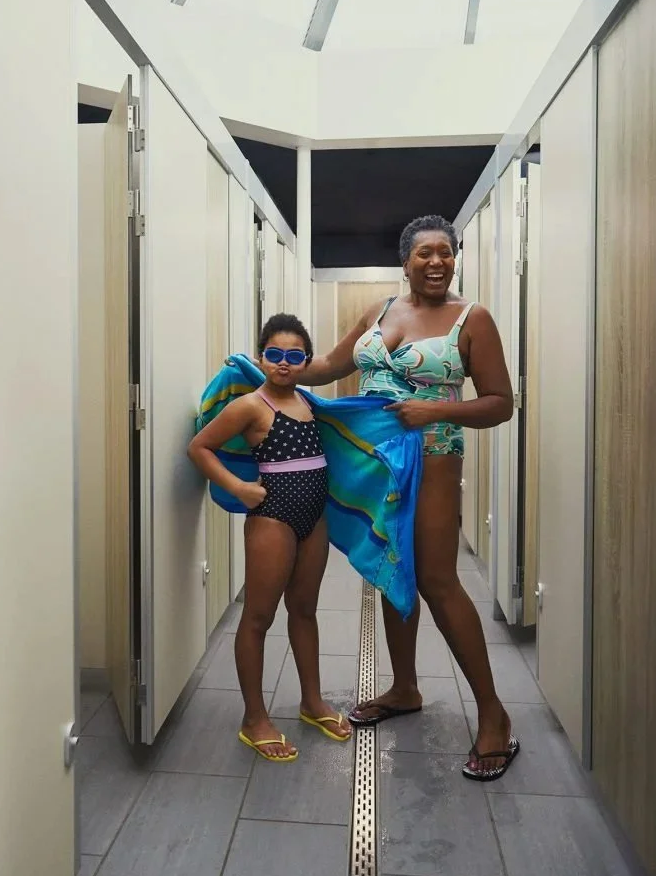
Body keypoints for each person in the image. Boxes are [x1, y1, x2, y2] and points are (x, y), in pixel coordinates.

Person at [296, 215, 519, 780]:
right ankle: (404, 688)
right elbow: (328, 367)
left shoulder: (473, 318)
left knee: (438, 582)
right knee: (391, 570)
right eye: (426, 253)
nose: (437, 261)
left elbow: (500, 403)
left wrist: (435, 409)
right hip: (377, 464)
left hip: (435, 458)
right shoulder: (380, 311)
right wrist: (274, 365)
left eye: (446, 252)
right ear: (406, 261)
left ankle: (494, 714)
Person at [187, 313, 352, 762]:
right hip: (272, 518)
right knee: (258, 618)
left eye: (294, 356)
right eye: (275, 354)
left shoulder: (309, 404)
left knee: (305, 610)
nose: (283, 362)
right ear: (261, 358)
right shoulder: (250, 406)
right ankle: (254, 718)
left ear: (306, 362)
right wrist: (238, 488)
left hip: (313, 519)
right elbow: (199, 447)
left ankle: (312, 702)